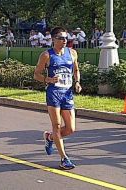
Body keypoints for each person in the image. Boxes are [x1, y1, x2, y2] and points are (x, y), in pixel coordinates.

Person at [34, 26, 82, 170]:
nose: (64, 40)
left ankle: (49, 138)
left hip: (67, 93)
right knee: (56, 125)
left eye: (66, 38)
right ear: (53, 39)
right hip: (54, 93)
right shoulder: (46, 55)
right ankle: (64, 158)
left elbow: (76, 70)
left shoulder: (72, 53)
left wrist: (77, 82)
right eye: (61, 38)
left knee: (71, 128)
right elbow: (36, 74)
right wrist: (47, 79)